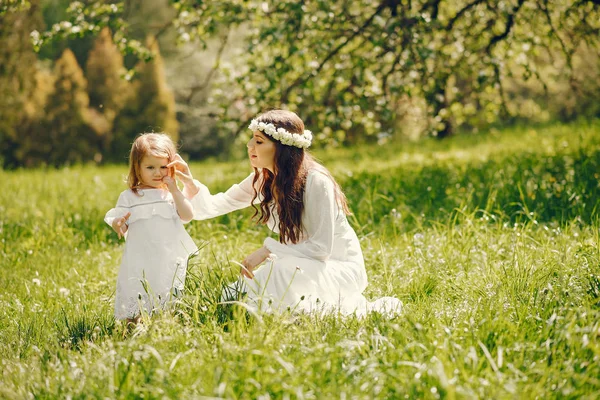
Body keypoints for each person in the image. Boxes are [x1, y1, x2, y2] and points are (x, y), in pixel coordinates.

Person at [171, 110, 401, 316]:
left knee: (280, 272)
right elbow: (214, 206)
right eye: (252, 139)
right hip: (296, 264)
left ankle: (284, 317)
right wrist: (188, 182)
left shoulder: (316, 181)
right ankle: (270, 313)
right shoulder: (263, 179)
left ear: (280, 148)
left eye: (259, 141)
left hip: (338, 269)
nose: (250, 146)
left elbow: (321, 249)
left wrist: (267, 249)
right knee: (231, 296)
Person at [105, 133, 197, 323]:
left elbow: (188, 215)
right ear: (137, 168)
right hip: (140, 257)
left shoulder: (170, 194)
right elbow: (117, 216)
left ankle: (164, 323)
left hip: (167, 256)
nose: (157, 173)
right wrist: (118, 223)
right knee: (136, 288)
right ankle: (133, 324)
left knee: (165, 289)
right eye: (150, 167)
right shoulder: (130, 196)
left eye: (163, 167)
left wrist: (175, 190)